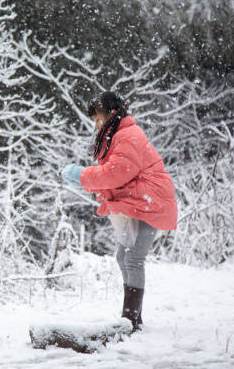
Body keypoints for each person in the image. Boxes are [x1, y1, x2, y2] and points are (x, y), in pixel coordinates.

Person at [61, 91, 177, 332]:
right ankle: (131, 319)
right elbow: (114, 174)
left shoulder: (128, 135)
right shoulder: (117, 135)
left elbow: (116, 173)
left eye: (98, 118)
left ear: (112, 113)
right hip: (139, 200)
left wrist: (81, 176)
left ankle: (131, 321)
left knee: (133, 258)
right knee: (122, 257)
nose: (96, 124)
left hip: (149, 201)